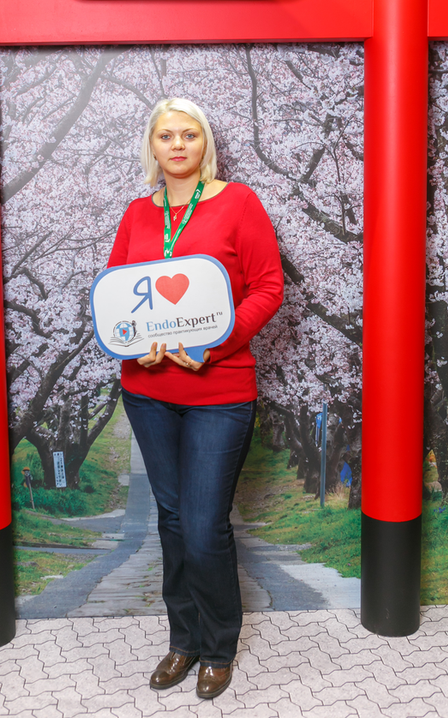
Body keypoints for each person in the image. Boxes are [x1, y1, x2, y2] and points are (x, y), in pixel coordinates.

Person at [107, 97, 283, 699]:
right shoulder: (137, 213)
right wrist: (134, 346)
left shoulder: (239, 203)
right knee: (173, 522)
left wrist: (216, 345)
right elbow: (116, 296)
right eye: (166, 136)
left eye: (188, 134)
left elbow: (268, 287)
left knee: (205, 527)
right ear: (152, 146)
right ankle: (182, 640)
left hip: (220, 392)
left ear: (205, 142)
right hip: (148, 393)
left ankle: (218, 646)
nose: (177, 145)